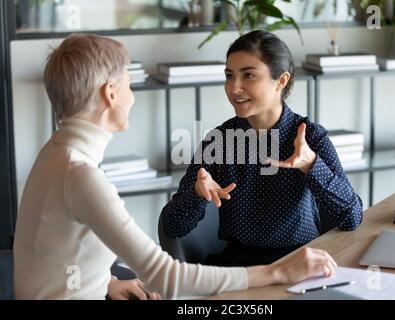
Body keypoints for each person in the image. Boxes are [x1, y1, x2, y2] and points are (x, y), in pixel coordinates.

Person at [13, 33, 337, 300]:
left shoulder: (55, 154)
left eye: (248, 75)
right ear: (111, 94)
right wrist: (279, 271)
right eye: (129, 85)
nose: (132, 96)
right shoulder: (81, 175)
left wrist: (106, 283)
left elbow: (60, 256)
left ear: (281, 81)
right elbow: (165, 273)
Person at [161, 30, 363, 267]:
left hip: (303, 263)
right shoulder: (218, 141)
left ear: (281, 80)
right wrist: (196, 194)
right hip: (240, 270)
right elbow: (172, 227)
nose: (234, 87)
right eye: (229, 75)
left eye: (248, 75)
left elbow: (352, 217)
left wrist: (311, 165)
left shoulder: (311, 138)